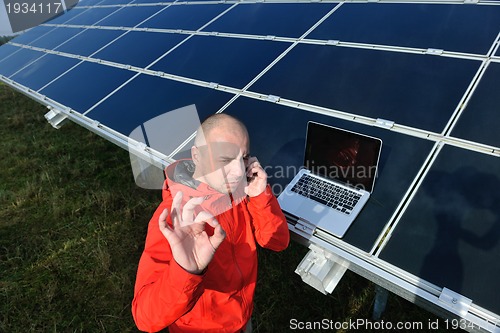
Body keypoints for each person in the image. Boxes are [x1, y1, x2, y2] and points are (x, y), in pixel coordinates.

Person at [132, 113, 290, 332]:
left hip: (242, 318)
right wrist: (186, 271)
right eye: (225, 159)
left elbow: (277, 241)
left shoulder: (240, 192)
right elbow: (145, 318)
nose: (237, 172)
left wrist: (260, 196)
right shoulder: (173, 218)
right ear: (197, 156)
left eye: (244, 158)